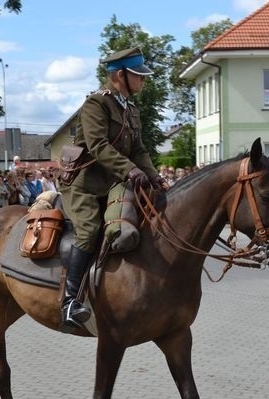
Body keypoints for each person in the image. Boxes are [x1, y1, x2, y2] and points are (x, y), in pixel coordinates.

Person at [57, 47, 162, 332]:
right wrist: (130, 170)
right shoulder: (96, 104)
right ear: (119, 76)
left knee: (141, 218)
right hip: (86, 185)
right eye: (138, 75)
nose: (143, 80)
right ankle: (70, 303)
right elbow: (97, 146)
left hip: (116, 183)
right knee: (90, 228)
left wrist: (155, 177)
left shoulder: (131, 109)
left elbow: (139, 149)